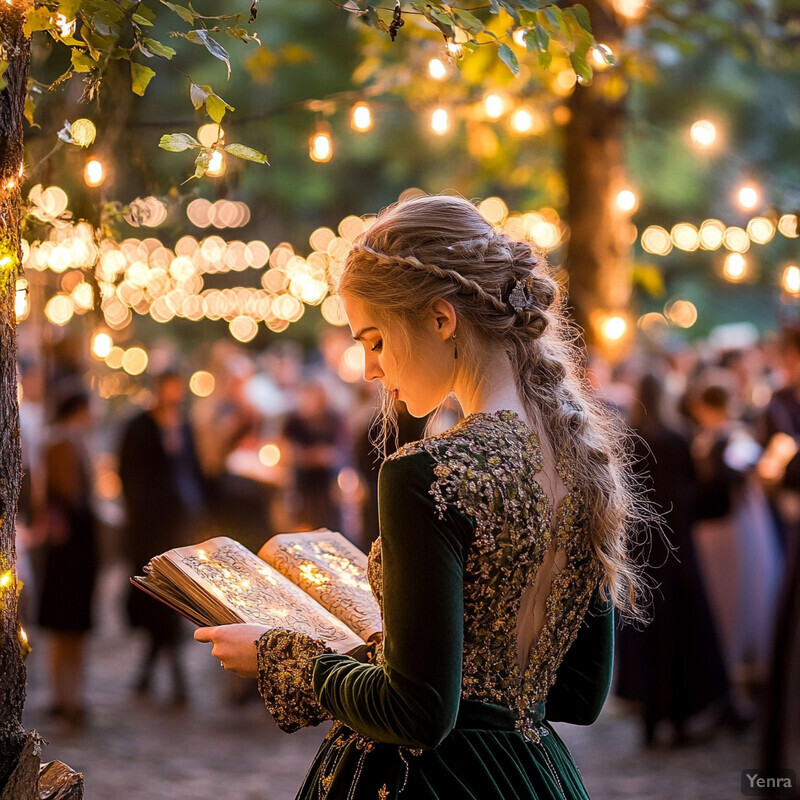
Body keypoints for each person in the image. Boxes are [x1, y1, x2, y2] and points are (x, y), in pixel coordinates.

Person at [194, 194, 646, 800]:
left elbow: (419, 712)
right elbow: (580, 692)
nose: (368, 370)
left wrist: (284, 656)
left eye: (375, 340)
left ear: (440, 318)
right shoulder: (582, 462)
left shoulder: (428, 475)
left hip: (428, 781)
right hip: (531, 775)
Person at [119, 370, 208, 702]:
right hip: (148, 531)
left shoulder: (184, 426)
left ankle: (159, 676)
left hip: (179, 529)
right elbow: (129, 475)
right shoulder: (138, 427)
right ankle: (172, 677)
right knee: (158, 603)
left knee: (173, 604)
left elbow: (194, 471)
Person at [36, 389, 98, 729]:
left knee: (73, 626)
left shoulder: (72, 441)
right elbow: (69, 494)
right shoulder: (62, 442)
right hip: (70, 543)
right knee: (66, 623)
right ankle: (65, 697)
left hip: (76, 541)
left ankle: (71, 696)